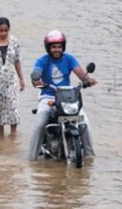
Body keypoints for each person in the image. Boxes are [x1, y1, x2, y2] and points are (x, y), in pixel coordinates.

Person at [27, 30, 97, 160]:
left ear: (63, 47)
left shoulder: (69, 59)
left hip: (67, 96)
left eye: (59, 46)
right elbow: (36, 76)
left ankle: (89, 156)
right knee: (40, 125)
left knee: (84, 123)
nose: (57, 49)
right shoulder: (42, 61)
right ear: (48, 48)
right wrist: (38, 83)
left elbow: (81, 74)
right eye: (53, 47)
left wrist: (88, 80)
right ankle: (31, 159)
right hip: (48, 97)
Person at [0, 17, 25, 137]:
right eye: (1, 30)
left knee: (13, 107)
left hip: (11, 79)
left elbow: (17, 61)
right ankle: (0, 135)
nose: (3, 33)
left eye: (6, 30)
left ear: (9, 29)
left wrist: (21, 78)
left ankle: (13, 133)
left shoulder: (15, 42)